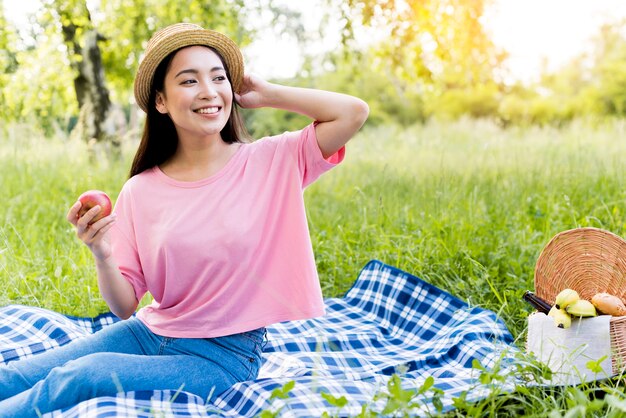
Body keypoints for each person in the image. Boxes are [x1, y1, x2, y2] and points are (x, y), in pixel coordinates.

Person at [0, 22, 369, 416]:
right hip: (147, 331)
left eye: (218, 78)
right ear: (161, 101)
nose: (209, 91)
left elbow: (352, 112)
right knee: (16, 375)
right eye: (189, 80)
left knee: (79, 376)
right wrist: (102, 253)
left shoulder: (272, 160)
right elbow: (125, 305)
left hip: (223, 357)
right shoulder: (141, 189)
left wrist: (266, 95)